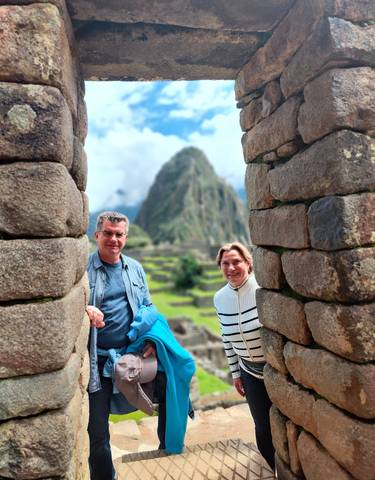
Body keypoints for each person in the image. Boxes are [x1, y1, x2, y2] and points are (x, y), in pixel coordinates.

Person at [86, 211, 167, 480]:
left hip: (133, 355)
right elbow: (71, 299)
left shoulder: (134, 268)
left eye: (119, 234)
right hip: (98, 360)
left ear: (126, 237)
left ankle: (166, 452)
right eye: (108, 233)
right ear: (97, 235)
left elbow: (148, 306)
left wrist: (152, 342)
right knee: (97, 431)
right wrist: (85, 308)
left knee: (170, 384)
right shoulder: (85, 269)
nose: (113, 239)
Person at [213, 242, 275, 471]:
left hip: (275, 370)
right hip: (249, 371)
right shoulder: (219, 298)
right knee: (262, 426)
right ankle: (271, 470)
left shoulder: (263, 289)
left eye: (236, 261)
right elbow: (226, 339)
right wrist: (235, 373)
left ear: (248, 262)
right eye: (225, 263)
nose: (231, 268)